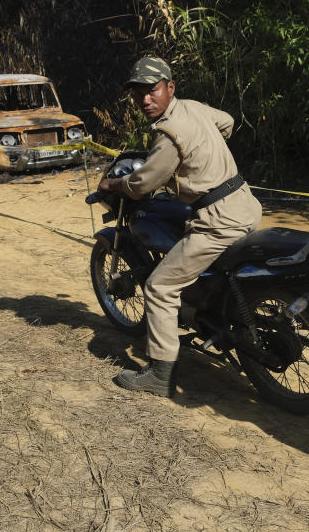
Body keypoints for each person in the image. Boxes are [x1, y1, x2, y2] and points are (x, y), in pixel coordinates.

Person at [97, 56, 262, 397]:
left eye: (152, 90)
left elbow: (141, 185)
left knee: (159, 286)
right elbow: (228, 123)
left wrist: (112, 186)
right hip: (245, 204)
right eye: (138, 93)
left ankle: (159, 376)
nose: (145, 99)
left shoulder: (168, 134)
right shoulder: (192, 108)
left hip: (217, 221)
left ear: (169, 88)